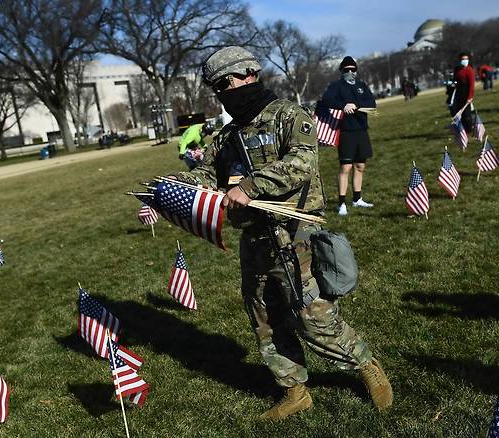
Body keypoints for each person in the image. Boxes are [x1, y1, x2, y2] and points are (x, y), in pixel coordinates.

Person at [166, 46, 393, 420]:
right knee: (266, 320)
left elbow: (302, 163)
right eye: (216, 87)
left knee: (313, 316)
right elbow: (206, 178)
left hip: (294, 233)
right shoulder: (225, 138)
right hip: (254, 239)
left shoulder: (289, 115)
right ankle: (295, 390)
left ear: (249, 74)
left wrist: (250, 187)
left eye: (227, 82)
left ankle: (366, 365)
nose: (223, 91)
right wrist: (172, 186)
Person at [321, 56, 377, 216]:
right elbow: (326, 100)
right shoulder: (336, 86)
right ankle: (341, 203)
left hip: (361, 130)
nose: (350, 72)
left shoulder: (361, 86)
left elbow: (372, 103)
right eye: (347, 70)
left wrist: (357, 106)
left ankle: (357, 199)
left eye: (353, 69)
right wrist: (343, 106)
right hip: (345, 131)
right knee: (345, 167)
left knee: (360, 166)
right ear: (341, 71)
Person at [449, 52, 475, 132]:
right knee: (457, 111)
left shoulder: (469, 70)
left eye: (466, 59)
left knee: (466, 113)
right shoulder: (457, 70)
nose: (465, 60)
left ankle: (469, 129)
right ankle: (462, 127)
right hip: (458, 92)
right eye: (463, 59)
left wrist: (470, 97)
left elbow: (471, 84)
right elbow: (455, 80)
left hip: (466, 92)